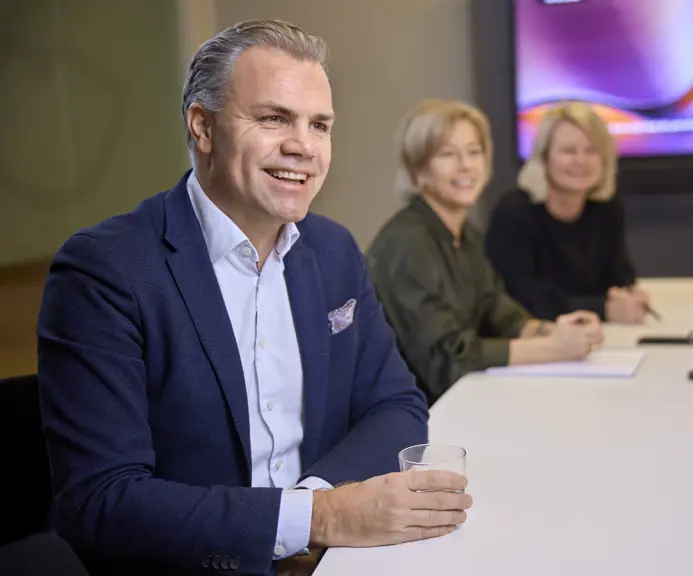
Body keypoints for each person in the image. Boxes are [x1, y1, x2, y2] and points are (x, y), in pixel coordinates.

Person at [36, 20, 472, 576]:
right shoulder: (106, 270)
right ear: (203, 126)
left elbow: (396, 404)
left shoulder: (334, 250)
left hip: (328, 560)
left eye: (319, 125)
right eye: (273, 118)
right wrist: (317, 518)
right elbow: (101, 503)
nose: (302, 146)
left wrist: (317, 511)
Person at [365, 99, 604, 405]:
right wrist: (554, 348)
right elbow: (448, 360)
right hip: (417, 423)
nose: (466, 165)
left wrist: (557, 331)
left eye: (474, 152)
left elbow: (497, 313)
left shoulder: (465, 234)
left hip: (462, 402)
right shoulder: (405, 245)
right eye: (447, 154)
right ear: (419, 170)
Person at [484, 101, 650, 324]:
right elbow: (521, 300)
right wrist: (603, 309)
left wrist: (629, 296)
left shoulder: (607, 209)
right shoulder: (514, 213)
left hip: (597, 338)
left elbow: (618, 279)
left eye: (591, 151)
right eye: (568, 151)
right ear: (544, 157)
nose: (581, 161)